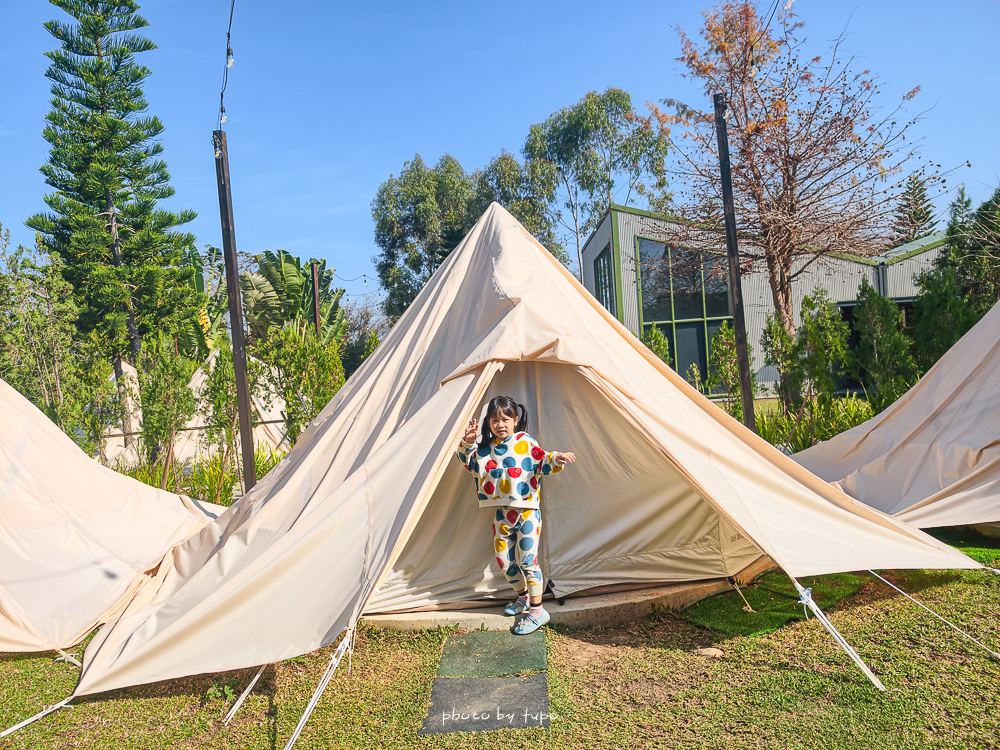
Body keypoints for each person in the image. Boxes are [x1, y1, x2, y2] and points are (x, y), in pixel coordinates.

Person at [455, 395, 575, 635]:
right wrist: (468, 443)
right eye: (494, 420)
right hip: (502, 514)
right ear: (488, 423)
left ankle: (537, 611)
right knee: (505, 562)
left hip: (528, 513)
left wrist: (557, 458)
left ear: (516, 420)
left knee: (529, 562)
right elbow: (469, 462)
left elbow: (542, 460)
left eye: (505, 419)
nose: (500, 424)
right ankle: (522, 598)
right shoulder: (485, 449)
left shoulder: (525, 442)